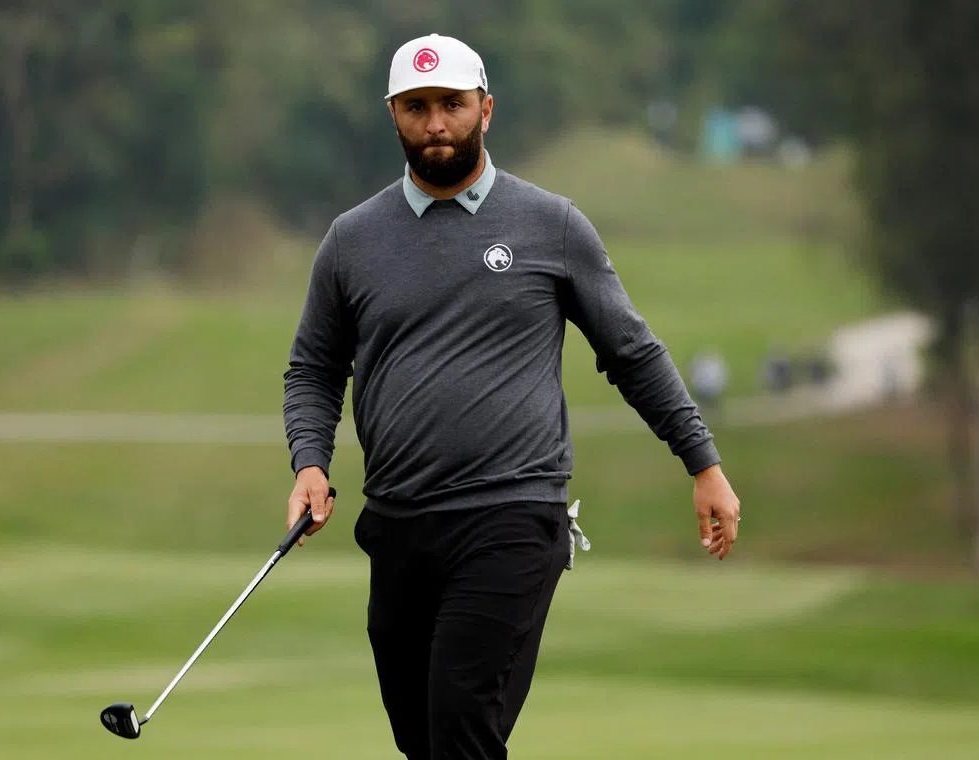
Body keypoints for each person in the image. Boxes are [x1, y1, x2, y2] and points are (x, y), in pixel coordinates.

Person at [282, 33, 742, 760]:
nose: (436, 124)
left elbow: (631, 352)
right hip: (399, 523)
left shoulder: (551, 225)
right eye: (417, 107)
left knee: (461, 727)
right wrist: (310, 463)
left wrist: (703, 463)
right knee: (422, 737)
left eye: (452, 106)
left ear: (486, 110)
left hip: (511, 516)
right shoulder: (351, 241)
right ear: (393, 114)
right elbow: (312, 368)